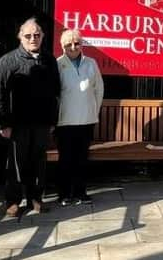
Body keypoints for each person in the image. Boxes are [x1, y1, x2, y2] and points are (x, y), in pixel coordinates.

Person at [0, 18, 60, 216]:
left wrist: (52, 121)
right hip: (17, 123)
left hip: (41, 122)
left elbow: (55, 92)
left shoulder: (49, 60)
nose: (33, 39)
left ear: (43, 37)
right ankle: (13, 201)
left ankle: (35, 199)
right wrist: (3, 123)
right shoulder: (8, 60)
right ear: (20, 37)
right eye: (28, 35)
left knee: (38, 162)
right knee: (16, 163)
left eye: (37, 35)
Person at [55, 28, 104, 206]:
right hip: (65, 121)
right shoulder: (58, 64)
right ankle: (64, 194)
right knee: (66, 159)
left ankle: (81, 193)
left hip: (86, 120)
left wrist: (93, 109)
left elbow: (99, 89)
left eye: (77, 43)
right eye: (69, 44)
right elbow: (55, 94)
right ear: (62, 46)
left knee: (82, 159)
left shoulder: (91, 63)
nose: (73, 47)